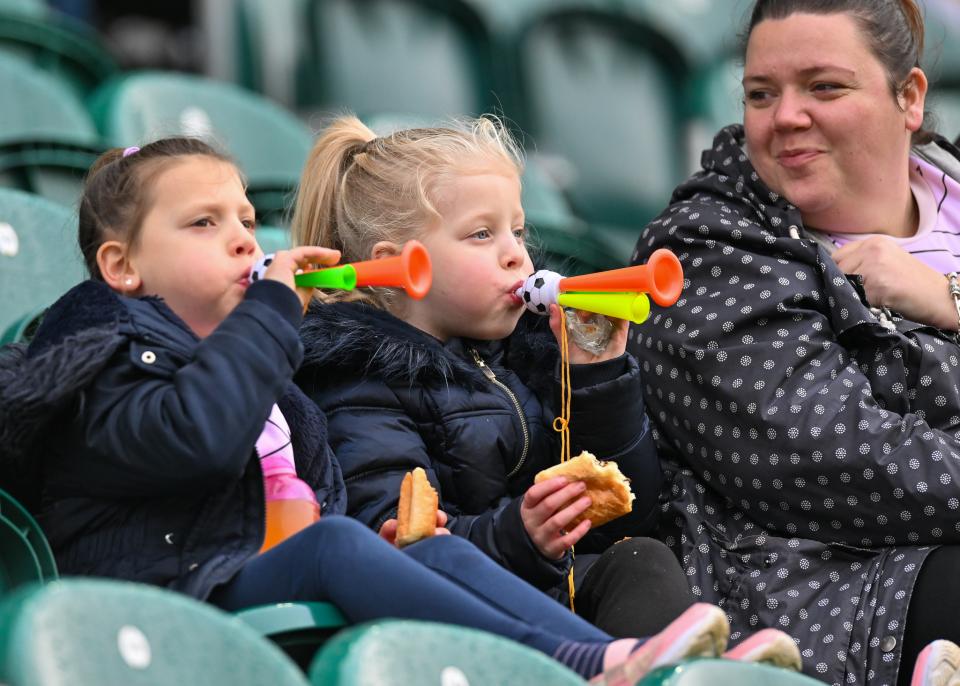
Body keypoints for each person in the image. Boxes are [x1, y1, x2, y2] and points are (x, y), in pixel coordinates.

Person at [0, 137, 795, 684]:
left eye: (247, 218)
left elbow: (300, 499)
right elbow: (199, 441)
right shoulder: (106, 350)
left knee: (426, 554)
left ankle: (623, 662)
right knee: (337, 548)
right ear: (122, 265)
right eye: (205, 224)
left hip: (243, 572)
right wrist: (274, 311)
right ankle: (595, 664)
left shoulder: (261, 370)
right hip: (171, 589)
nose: (246, 241)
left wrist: (390, 540)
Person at [627, 1, 960, 685]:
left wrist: (949, 299)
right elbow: (849, 464)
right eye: (760, 93)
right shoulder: (703, 251)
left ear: (910, 98)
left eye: (824, 86)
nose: (785, 117)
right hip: (836, 594)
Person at [290, 115, 698, 639]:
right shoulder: (355, 382)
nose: (517, 255)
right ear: (397, 266)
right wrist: (520, 537)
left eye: (519, 230)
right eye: (482, 234)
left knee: (642, 559)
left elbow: (624, 517)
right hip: (460, 627)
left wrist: (598, 377)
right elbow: (402, 551)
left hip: (546, 595)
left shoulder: (523, 355)